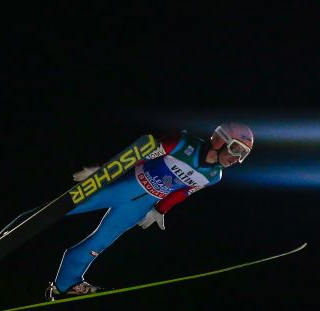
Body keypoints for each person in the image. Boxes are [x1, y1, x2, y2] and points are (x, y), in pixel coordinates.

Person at [45, 123, 254, 300]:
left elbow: (183, 192)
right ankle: (17, 226)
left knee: (99, 243)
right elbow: (139, 155)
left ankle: (66, 284)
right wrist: (104, 170)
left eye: (243, 155)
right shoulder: (182, 143)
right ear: (220, 140)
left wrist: (160, 210)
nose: (237, 158)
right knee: (57, 209)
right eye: (237, 149)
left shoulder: (214, 176)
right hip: (123, 187)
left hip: (139, 206)